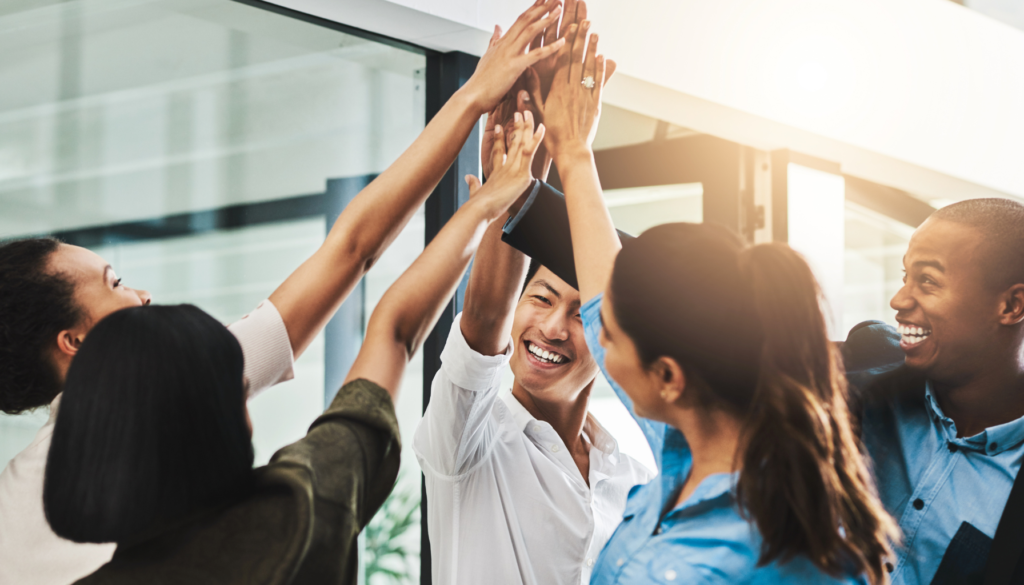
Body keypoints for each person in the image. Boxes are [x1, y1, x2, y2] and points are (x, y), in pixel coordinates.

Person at [0, 1, 564, 582]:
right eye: (114, 284)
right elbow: (359, 267)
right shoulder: (281, 506)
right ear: (74, 339)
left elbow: (362, 268)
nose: (141, 295)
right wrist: (479, 149)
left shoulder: (13, 512)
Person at [506, 23, 899, 584]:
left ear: (668, 376)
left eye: (610, 336)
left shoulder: (766, 554)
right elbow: (602, 293)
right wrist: (572, 151)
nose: (594, 334)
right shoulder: (688, 446)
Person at [837, 198, 1024, 585]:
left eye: (927, 281)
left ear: (1011, 305)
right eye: (905, 276)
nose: (899, 300)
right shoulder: (854, 401)